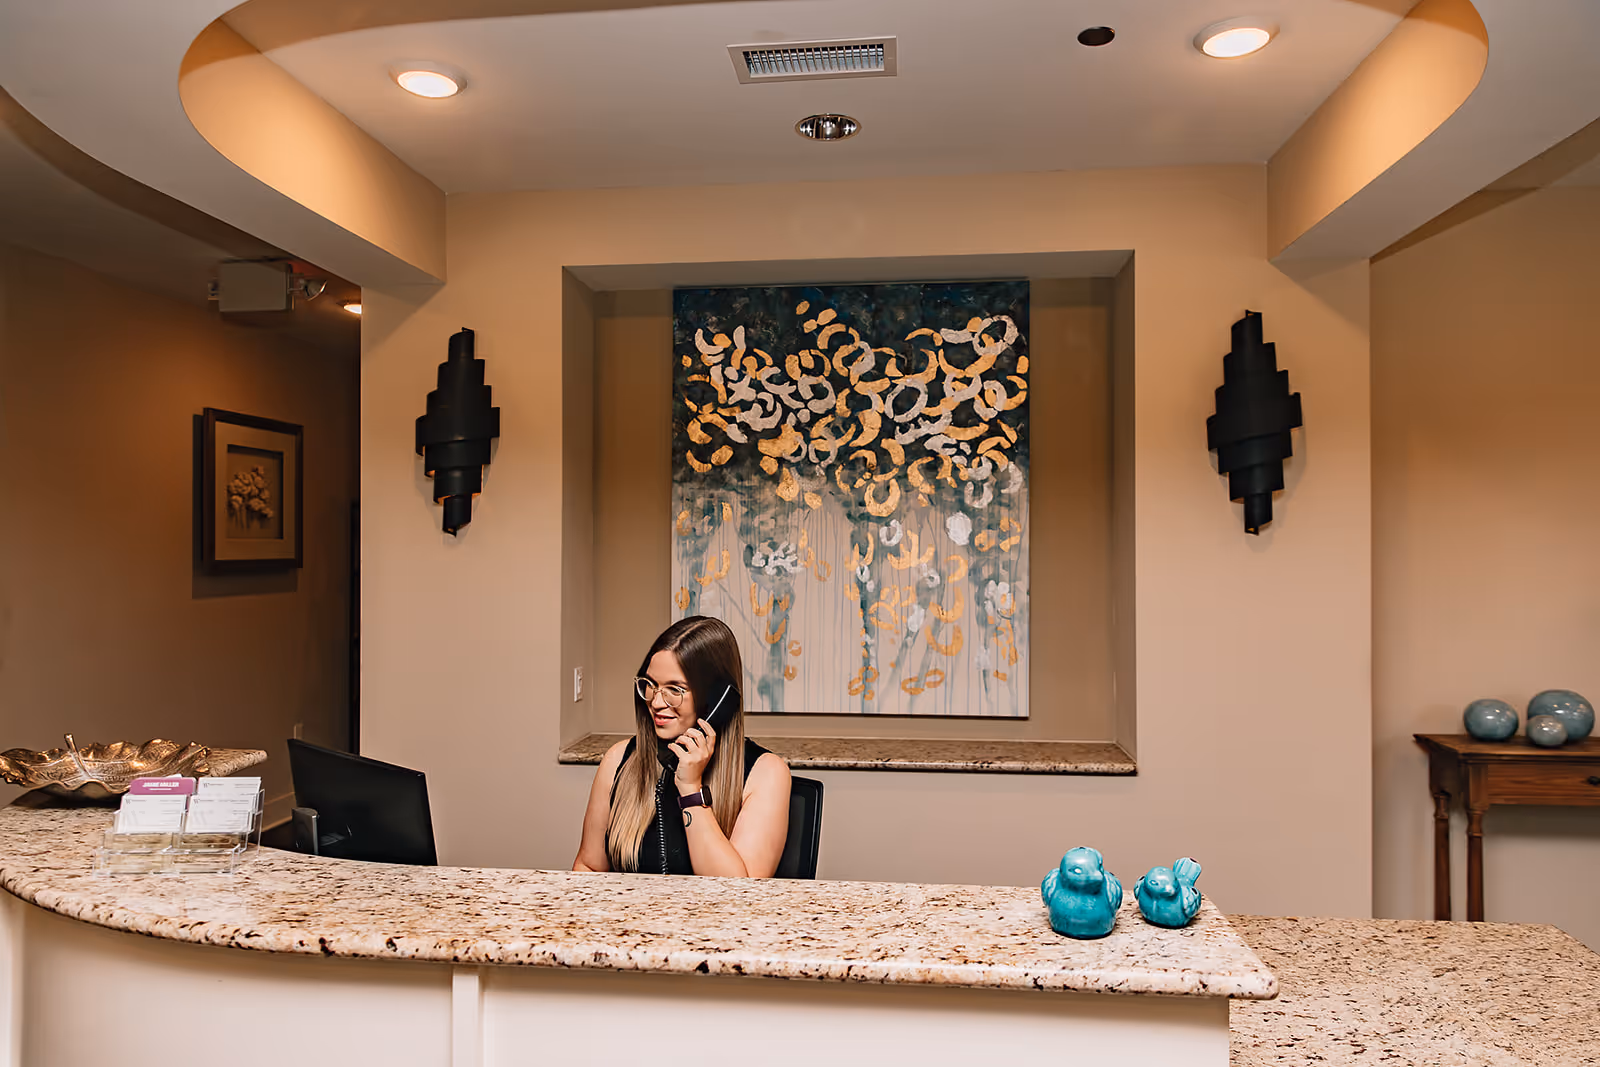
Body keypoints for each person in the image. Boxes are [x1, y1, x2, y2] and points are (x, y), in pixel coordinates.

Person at [573, 616, 792, 876]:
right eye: (650, 685)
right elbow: (588, 867)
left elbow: (738, 895)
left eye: (674, 689)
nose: (655, 702)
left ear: (717, 700)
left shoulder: (766, 773)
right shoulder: (619, 759)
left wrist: (690, 789)